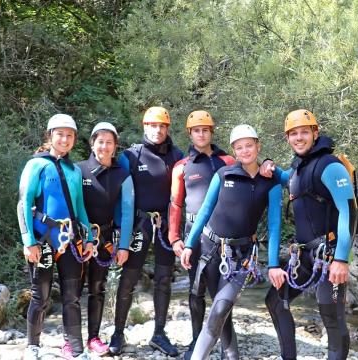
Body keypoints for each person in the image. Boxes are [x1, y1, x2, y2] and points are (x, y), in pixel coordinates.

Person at [260, 109, 358, 360]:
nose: (299, 138)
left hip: (329, 255)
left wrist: (341, 259)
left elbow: (349, 212)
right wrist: (268, 165)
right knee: (275, 300)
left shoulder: (330, 165)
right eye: (293, 134)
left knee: (332, 318)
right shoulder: (298, 169)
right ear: (287, 138)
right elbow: (290, 181)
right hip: (304, 256)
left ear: (315, 133)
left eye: (304, 132)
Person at [180, 124, 285, 360]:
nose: (245, 151)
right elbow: (205, 211)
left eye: (249, 145)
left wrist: (274, 264)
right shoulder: (223, 174)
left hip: (241, 256)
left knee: (219, 308)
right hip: (210, 249)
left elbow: (275, 226)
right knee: (221, 308)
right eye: (240, 147)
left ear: (258, 146)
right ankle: (231, 355)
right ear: (234, 151)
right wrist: (189, 244)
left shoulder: (271, 182)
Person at [17, 114, 94, 360]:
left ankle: (77, 349)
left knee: (72, 297)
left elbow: (80, 208)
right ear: (50, 136)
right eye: (60, 134)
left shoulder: (73, 170)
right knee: (41, 295)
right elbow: (24, 203)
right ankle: (33, 346)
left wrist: (90, 238)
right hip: (42, 240)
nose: (65, 139)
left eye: (70, 135)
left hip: (70, 241)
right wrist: (28, 241)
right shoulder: (36, 165)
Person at [110, 106, 184, 357]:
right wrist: (120, 229)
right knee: (129, 278)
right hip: (139, 223)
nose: (158, 130)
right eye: (153, 125)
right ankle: (118, 334)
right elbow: (119, 195)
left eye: (162, 126)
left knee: (164, 278)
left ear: (167, 128)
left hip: (166, 223)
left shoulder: (177, 155)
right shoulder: (131, 156)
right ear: (144, 126)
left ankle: (160, 334)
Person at [168, 110, 235, 352]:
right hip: (193, 234)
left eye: (205, 129)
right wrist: (175, 238)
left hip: (222, 234)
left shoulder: (227, 162)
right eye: (196, 130)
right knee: (195, 289)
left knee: (222, 291)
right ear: (190, 133)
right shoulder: (182, 167)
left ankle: (225, 345)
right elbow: (175, 203)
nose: (201, 134)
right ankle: (197, 341)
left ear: (211, 132)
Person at [77, 122, 135, 356]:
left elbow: (128, 210)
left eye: (109, 142)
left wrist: (124, 245)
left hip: (105, 238)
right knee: (72, 291)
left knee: (97, 289)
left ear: (115, 146)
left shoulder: (122, 175)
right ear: (92, 143)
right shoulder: (78, 170)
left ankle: (93, 338)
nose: (104, 146)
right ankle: (70, 339)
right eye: (100, 141)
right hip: (77, 238)